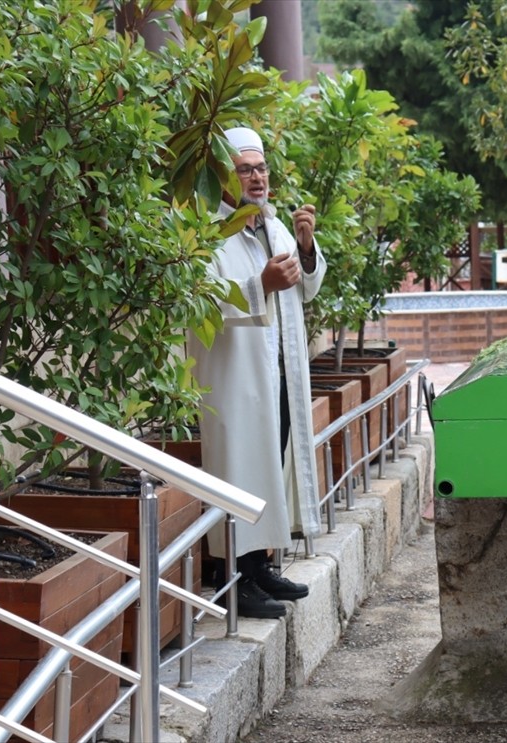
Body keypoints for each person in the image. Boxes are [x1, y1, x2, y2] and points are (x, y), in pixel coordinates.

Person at [189, 126, 327, 619]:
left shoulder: (273, 225)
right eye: (245, 169)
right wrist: (258, 285)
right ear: (225, 175)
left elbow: (304, 290)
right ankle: (235, 580)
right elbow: (200, 302)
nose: (256, 178)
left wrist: (307, 249)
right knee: (240, 470)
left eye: (261, 168)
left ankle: (261, 566)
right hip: (235, 376)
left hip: (278, 373)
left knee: (270, 466)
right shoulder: (208, 229)